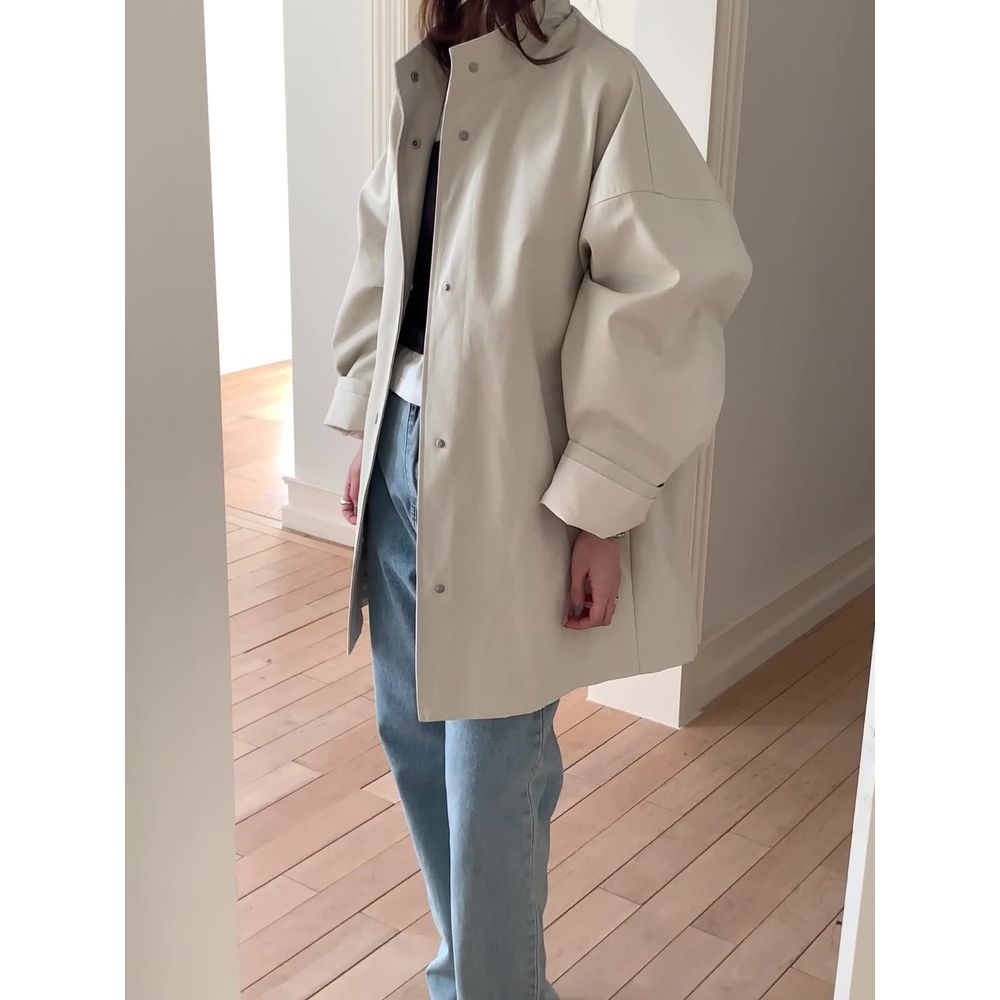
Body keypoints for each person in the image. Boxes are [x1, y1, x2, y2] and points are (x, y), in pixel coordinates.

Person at [325, 1, 752, 996]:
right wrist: (365, 413)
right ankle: (472, 976)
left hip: (516, 481)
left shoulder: (601, 86)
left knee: (494, 775)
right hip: (400, 451)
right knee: (412, 735)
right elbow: (385, 251)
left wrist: (601, 505)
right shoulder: (428, 71)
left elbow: (664, 293)